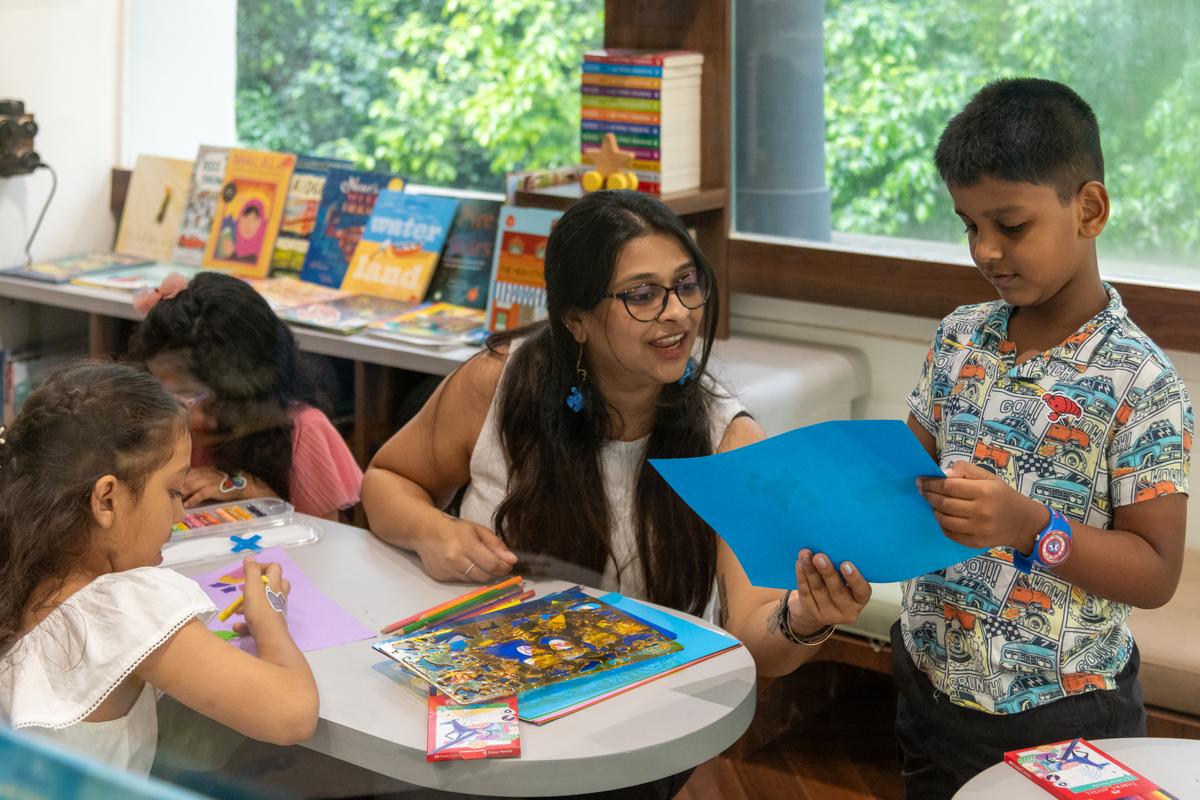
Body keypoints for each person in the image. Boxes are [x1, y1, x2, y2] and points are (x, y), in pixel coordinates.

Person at [363, 189, 870, 683]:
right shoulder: (497, 381)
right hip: (491, 676)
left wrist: (802, 617)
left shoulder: (729, 438)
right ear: (576, 321)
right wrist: (432, 531)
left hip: (641, 712)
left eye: (687, 284)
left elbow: (755, 634)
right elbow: (387, 479)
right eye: (643, 295)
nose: (677, 312)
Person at [900, 78, 1193, 798]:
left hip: (1065, 711)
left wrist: (1032, 527)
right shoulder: (958, 338)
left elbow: (1155, 572)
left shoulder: (1141, 380)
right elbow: (908, 472)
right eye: (969, 225)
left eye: (1011, 224)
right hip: (928, 680)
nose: (986, 250)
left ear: (1088, 209)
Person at [0, 361, 318, 774]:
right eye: (171, 491)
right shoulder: (119, 607)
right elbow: (292, 714)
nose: (180, 512)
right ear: (107, 500)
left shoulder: (18, 565)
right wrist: (270, 613)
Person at [129, 271, 362, 520]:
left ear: (248, 390)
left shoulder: (301, 429)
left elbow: (325, 535)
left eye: (191, 395)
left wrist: (246, 489)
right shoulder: (155, 415)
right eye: (159, 388)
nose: (177, 410)